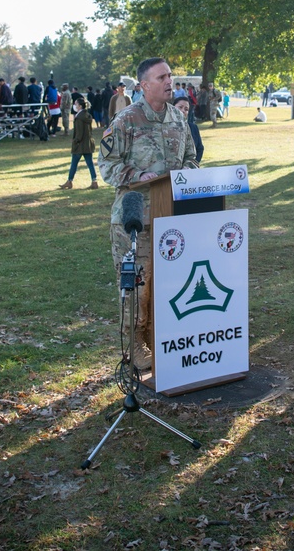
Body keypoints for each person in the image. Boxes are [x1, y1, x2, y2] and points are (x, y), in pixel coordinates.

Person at [98, 57, 199, 369]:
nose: (169, 81)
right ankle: (135, 345)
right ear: (143, 85)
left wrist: (187, 174)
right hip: (134, 221)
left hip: (170, 217)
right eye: (161, 77)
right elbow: (107, 165)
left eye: (169, 75)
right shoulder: (126, 120)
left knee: (166, 286)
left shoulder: (178, 118)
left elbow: (192, 157)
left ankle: (161, 339)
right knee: (137, 288)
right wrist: (136, 176)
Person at [58, 97, 98, 190]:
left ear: (80, 106)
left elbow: (79, 132)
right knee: (90, 163)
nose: (75, 106)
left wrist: (75, 141)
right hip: (88, 143)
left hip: (80, 144)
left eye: (76, 104)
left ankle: (69, 181)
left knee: (74, 163)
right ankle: (94, 181)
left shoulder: (79, 117)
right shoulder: (87, 115)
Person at [173, 94, 204, 162]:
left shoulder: (193, 127)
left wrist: (193, 165)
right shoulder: (164, 127)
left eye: (186, 109)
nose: (183, 110)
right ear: (172, 108)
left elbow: (199, 149)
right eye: (180, 107)